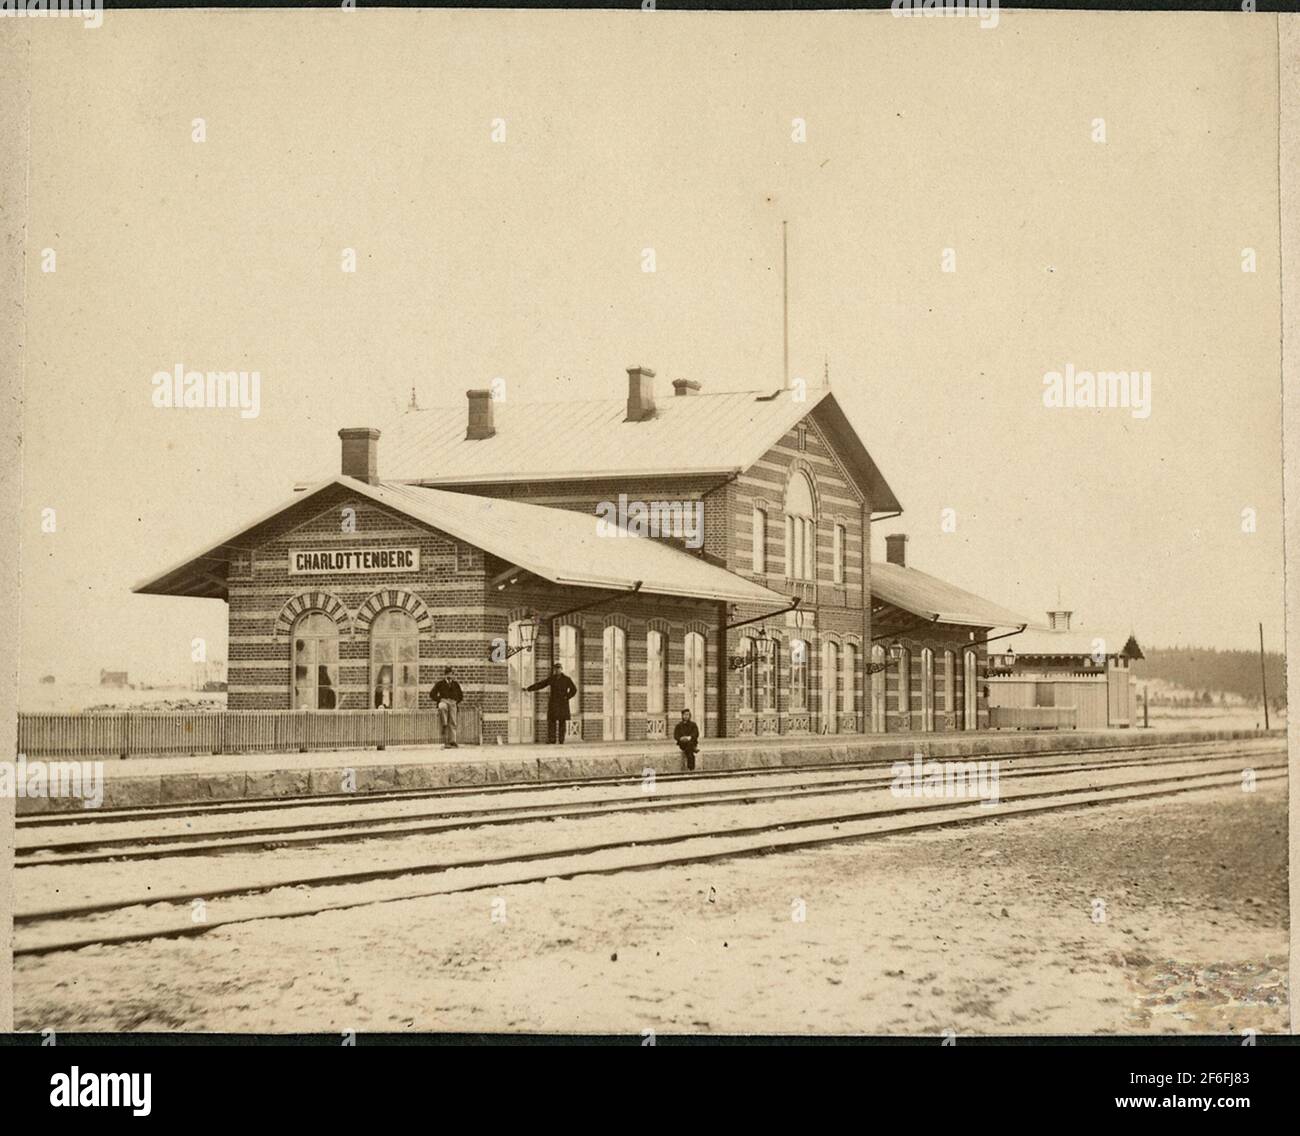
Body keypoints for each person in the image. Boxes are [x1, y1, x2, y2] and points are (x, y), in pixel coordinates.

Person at [526, 662, 578, 744]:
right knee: (552, 721)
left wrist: (567, 697)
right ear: (554, 670)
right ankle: (552, 740)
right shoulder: (552, 679)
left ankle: (561, 740)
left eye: (559, 668)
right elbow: (541, 684)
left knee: (562, 722)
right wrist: (529, 688)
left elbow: (574, 690)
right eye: (555, 669)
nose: (557, 670)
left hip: (562, 703)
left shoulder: (567, 679)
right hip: (553, 703)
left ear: (561, 669)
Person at [431, 666, 464, 748]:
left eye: (450, 674)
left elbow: (461, 695)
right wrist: (439, 699)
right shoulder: (440, 684)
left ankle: (452, 741)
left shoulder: (456, 684)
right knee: (442, 707)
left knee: (453, 722)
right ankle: (444, 725)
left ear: (453, 675)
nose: (449, 676)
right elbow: (432, 694)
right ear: (444, 675)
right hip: (444, 701)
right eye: (447, 674)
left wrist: (456, 701)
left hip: (453, 703)